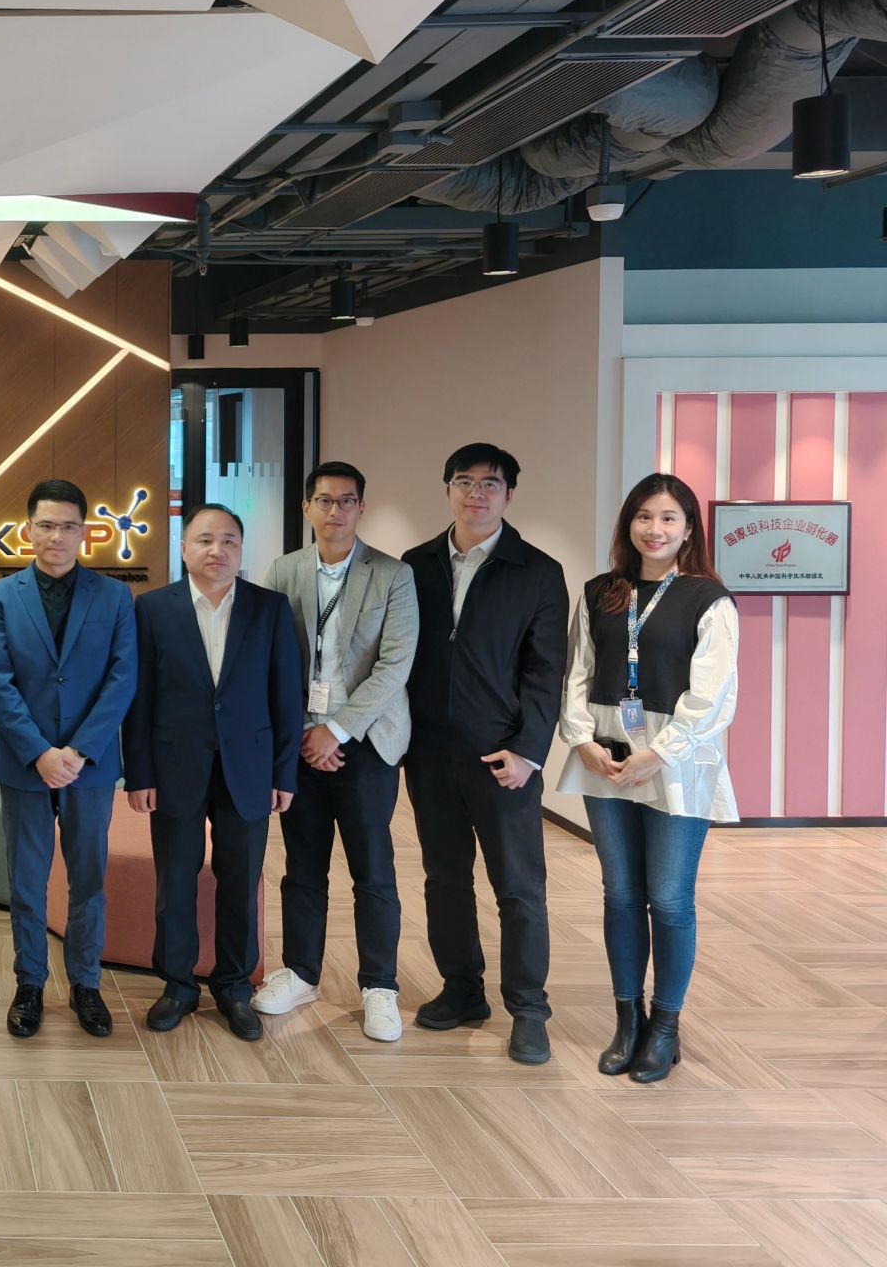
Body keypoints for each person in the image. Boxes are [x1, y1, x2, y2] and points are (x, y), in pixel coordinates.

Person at [560, 473, 738, 1083]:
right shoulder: (600, 592)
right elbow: (578, 672)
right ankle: (627, 1019)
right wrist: (580, 738)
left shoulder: (708, 599)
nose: (654, 529)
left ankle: (665, 1027)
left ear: (688, 529)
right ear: (627, 524)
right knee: (620, 894)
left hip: (677, 763)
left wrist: (659, 754)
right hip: (606, 760)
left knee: (668, 898)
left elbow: (713, 696)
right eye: (643, 516)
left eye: (668, 518)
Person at [402, 442, 568, 1065]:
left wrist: (527, 751)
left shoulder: (537, 571)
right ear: (447, 489)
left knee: (519, 888)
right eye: (464, 482)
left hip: (504, 761)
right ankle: (462, 989)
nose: (477, 493)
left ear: (508, 495)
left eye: (490, 483)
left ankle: (528, 1009)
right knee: (444, 879)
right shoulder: (415, 564)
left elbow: (545, 672)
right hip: (429, 754)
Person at [124, 503, 301, 1040]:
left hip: (249, 768)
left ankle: (233, 987)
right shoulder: (152, 609)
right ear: (184, 549)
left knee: (241, 882)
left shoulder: (269, 608)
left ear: (241, 550)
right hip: (174, 766)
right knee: (174, 881)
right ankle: (177, 985)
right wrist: (139, 773)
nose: (216, 550)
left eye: (228, 541)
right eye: (204, 540)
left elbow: (286, 695)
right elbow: (139, 698)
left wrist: (284, 774)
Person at [256, 462, 420, 1042]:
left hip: (368, 742)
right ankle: (300, 973)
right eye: (324, 500)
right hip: (303, 742)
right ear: (307, 507)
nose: (335, 511)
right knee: (302, 866)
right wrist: (308, 731)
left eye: (347, 501)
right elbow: (273, 657)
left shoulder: (393, 574)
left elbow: (394, 665)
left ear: (361, 508)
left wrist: (338, 730)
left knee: (373, 869)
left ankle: (379, 986)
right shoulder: (286, 570)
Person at [0, 478, 138, 1039]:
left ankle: (86, 984)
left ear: (84, 532)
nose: (57, 536)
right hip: (25, 765)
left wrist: (76, 751)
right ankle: (29, 983)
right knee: (26, 880)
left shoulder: (114, 596)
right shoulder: (0, 597)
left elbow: (122, 679)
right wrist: (39, 752)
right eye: (46, 525)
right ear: (28, 530)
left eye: (68, 526)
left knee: (88, 878)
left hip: (89, 766)